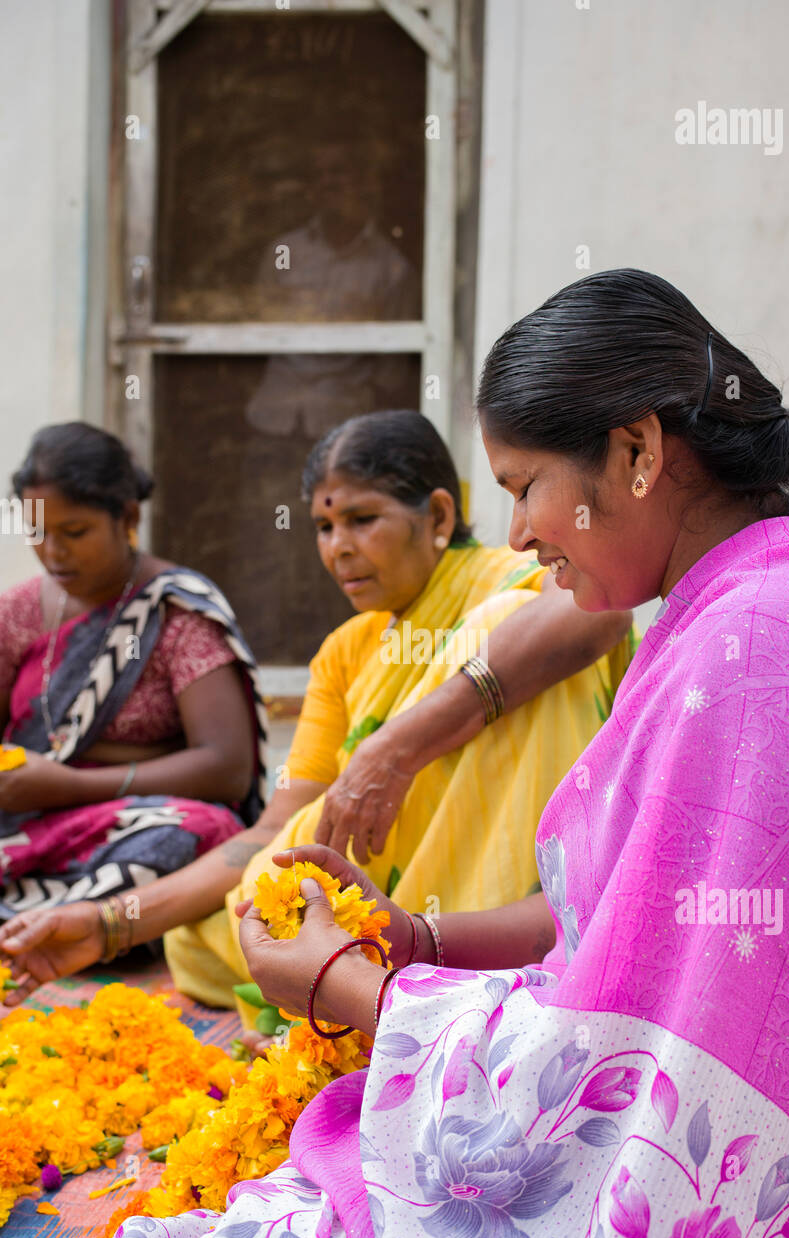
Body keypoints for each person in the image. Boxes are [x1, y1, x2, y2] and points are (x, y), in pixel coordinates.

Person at [3, 268, 789, 1238]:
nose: (520, 536)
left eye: (522, 486)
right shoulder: (746, 601)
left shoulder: (745, 646)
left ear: (634, 453)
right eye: (321, 526)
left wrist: (349, 987)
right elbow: (625, 919)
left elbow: (651, 1078)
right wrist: (416, 941)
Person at [0, 410, 633, 1019]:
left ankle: (457, 971)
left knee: (499, 632)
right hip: (380, 896)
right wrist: (109, 922)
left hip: (511, 900)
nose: (339, 549)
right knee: (226, 913)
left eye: (362, 520)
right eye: (325, 529)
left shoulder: (522, 578)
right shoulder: (345, 653)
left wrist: (393, 749)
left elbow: (594, 615)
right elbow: (274, 828)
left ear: (438, 515)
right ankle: (371, 966)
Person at [0, 423, 264, 924]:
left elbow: (229, 769)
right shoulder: (15, 613)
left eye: (74, 533)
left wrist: (69, 785)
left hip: (132, 826)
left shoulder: (175, 611)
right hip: (28, 824)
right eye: (36, 532)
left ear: (128, 516)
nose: (53, 552)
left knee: (191, 835)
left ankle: (67, 927)